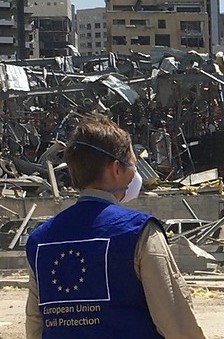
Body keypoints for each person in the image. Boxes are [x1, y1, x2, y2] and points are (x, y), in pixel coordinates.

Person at [24, 118, 206, 339]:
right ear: (116, 169)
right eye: (132, 164)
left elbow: (35, 323)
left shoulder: (40, 240)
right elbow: (176, 322)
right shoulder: (139, 231)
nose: (135, 173)